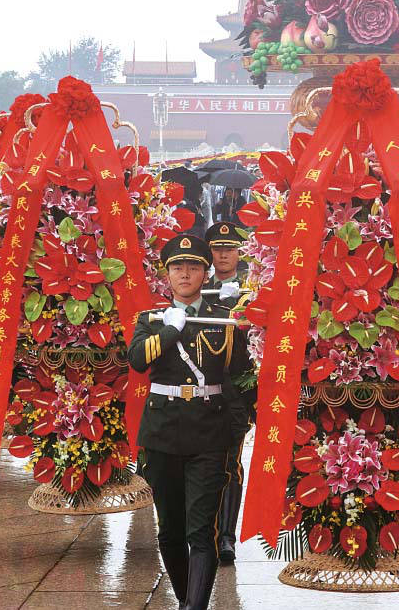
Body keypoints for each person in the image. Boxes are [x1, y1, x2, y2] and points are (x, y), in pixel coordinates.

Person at [127, 234, 251, 610]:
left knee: (202, 531)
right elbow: (136, 360)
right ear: (167, 275)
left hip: (208, 433)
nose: (185, 273)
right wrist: (170, 329)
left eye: (193, 266)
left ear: (205, 272)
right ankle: (186, 599)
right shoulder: (151, 320)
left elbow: (243, 377)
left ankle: (194, 606)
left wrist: (236, 426)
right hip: (163, 432)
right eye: (177, 267)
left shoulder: (224, 321)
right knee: (170, 532)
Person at [201, 221, 250, 564]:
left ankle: (227, 536)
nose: (223, 254)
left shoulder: (252, 290)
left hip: (234, 392)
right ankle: (204, 530)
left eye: (229, 248)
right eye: (217, 248)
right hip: (199, 388)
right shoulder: (194, 287)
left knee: (230, 464)